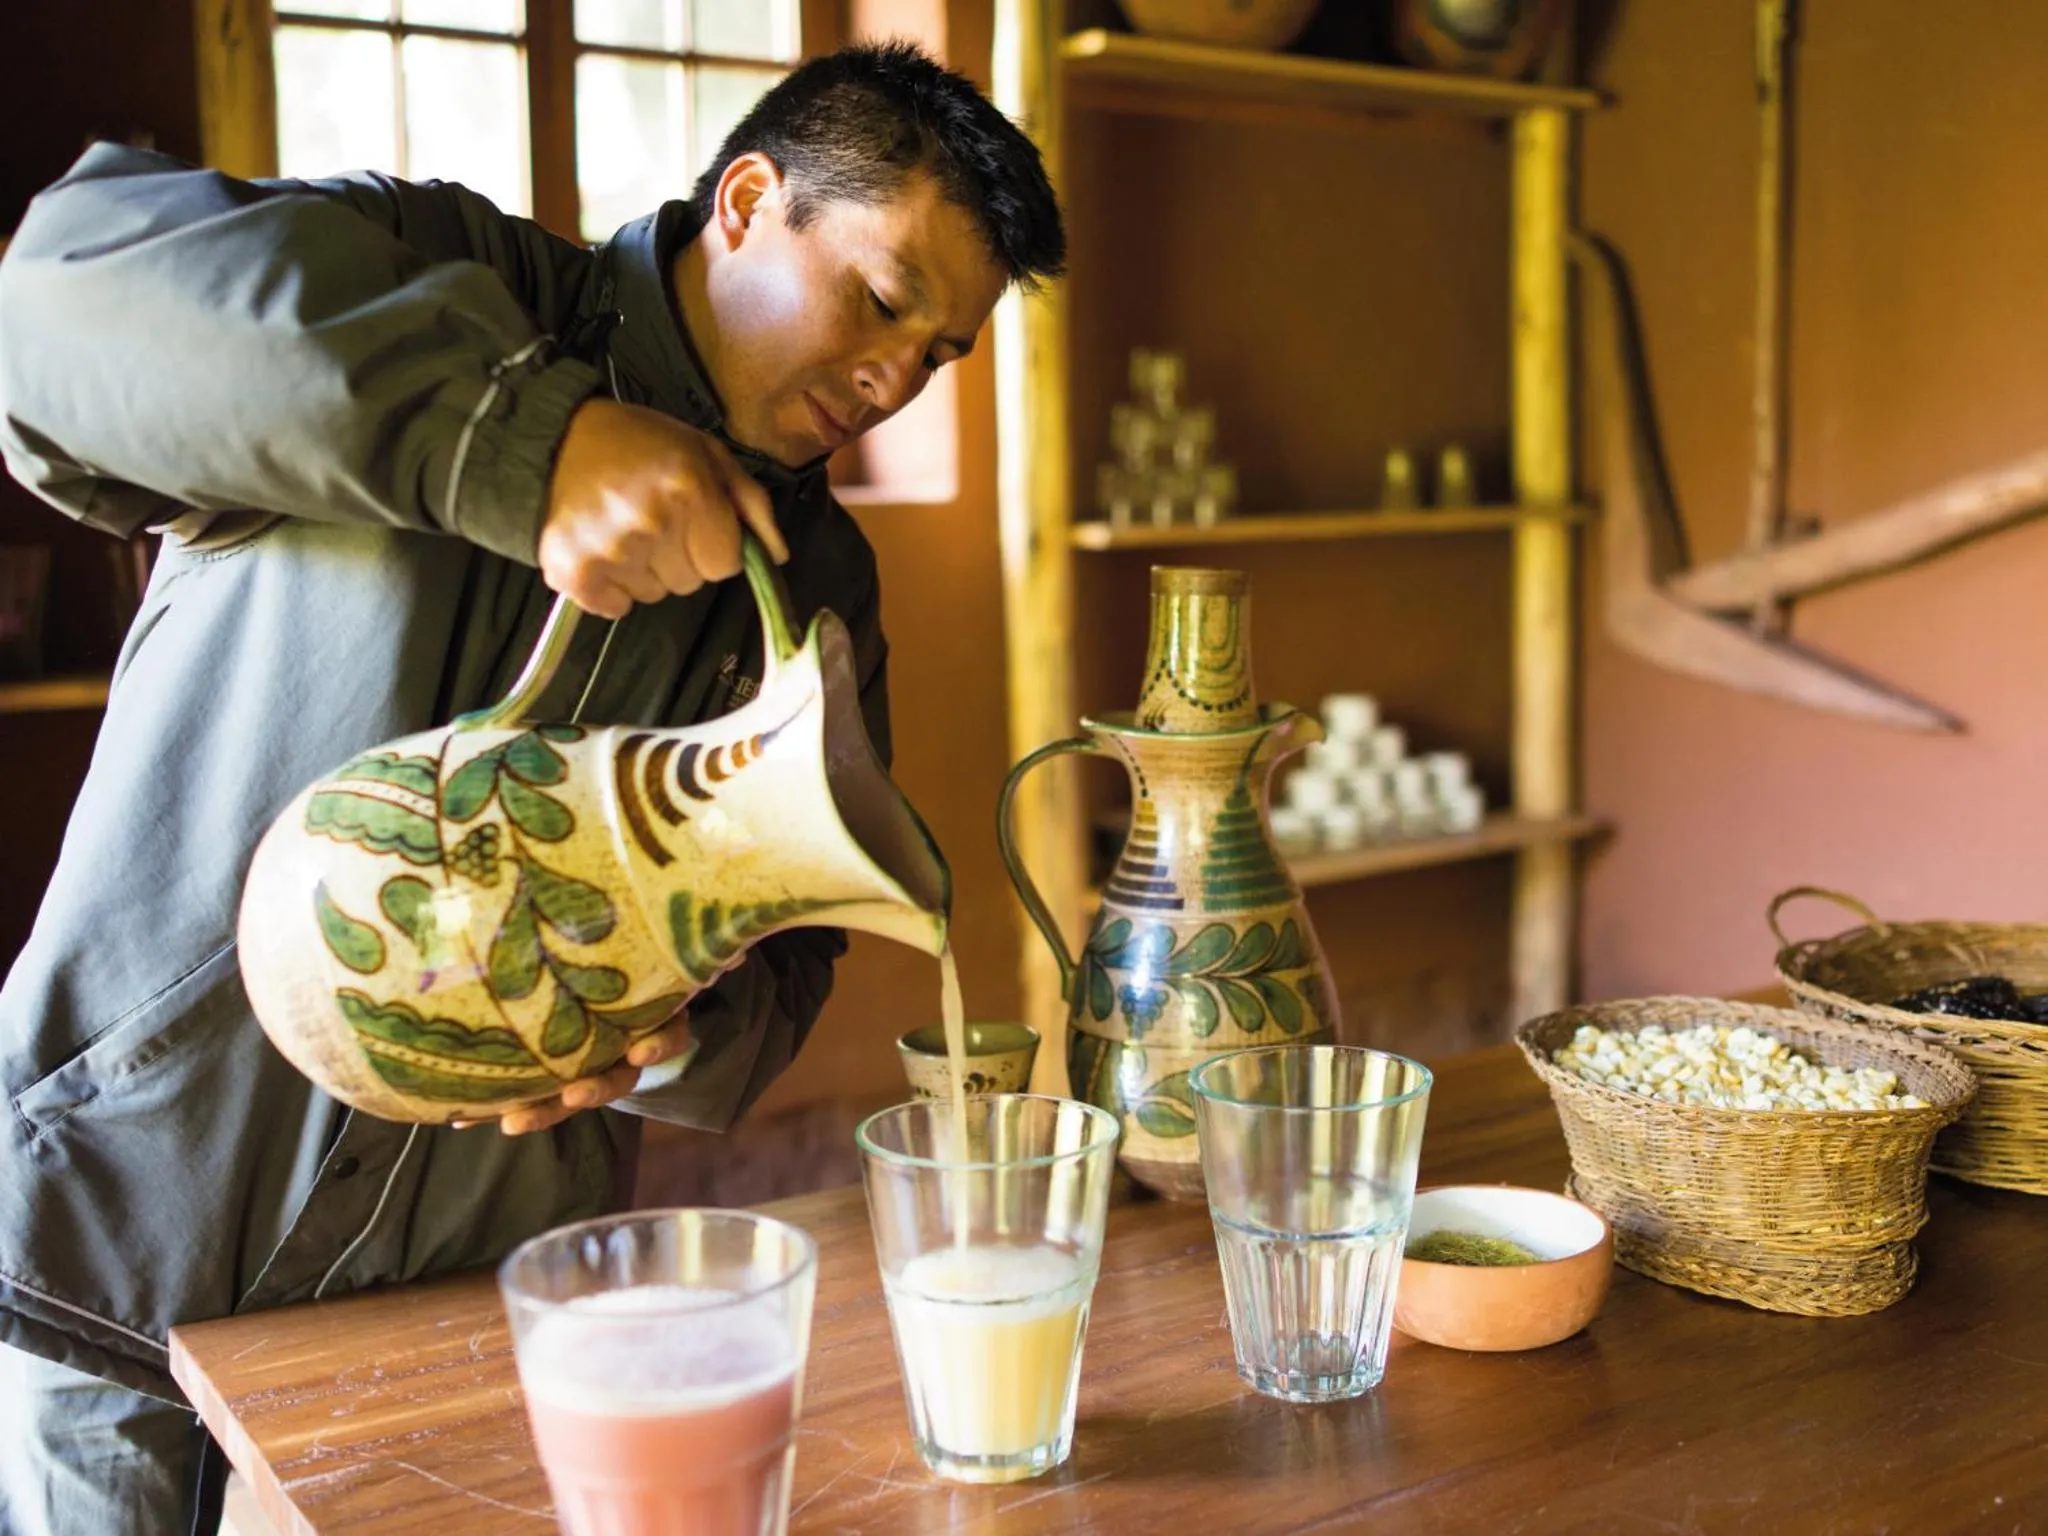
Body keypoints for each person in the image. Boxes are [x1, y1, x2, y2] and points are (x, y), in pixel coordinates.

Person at [0, 38, 1064, 1536]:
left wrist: (670, 1026)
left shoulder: (814, 583)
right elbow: (55, 298)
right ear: (749, 200)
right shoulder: (445, 276)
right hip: (129, 1220)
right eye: (884, 302)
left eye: (941, 354)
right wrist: (527, 445)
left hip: (444, 1319)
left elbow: (796, 958)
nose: (895, 378)